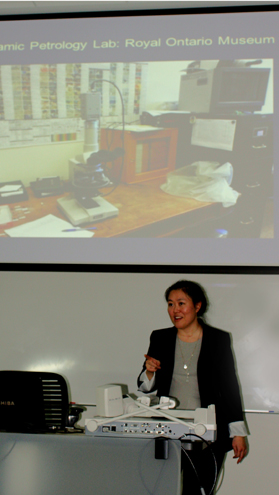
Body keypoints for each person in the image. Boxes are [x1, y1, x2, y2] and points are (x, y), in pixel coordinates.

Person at [137, 279, 248, 495]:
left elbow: (229, 387)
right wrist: (149, 370)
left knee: (199, 489)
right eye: (170, 304)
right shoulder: (160, 337)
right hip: (168, 428)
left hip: (207, 430)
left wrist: (237, 432)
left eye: (181, 303)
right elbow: (146, 387)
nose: (175, 310)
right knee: (163, 487)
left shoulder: (218, 339)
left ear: (197, 306)